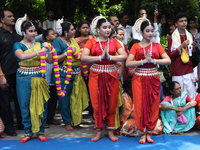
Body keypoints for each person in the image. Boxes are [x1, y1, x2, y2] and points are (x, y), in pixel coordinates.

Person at [81, 15, 127, 142]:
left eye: (109, 28)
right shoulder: (91, 42)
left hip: (111, 76)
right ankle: (98, 130)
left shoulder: (115, 42)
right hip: (95, 76)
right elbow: (83, 58)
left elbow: (124, 56)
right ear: (98, 29)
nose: (107, 30)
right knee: (96, 104)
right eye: (104, 27)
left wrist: (111, 58)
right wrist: (99, 57)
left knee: (111, 104)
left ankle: (110, 131)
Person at [126, 18, 171, 143]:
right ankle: (142, 131)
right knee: (140, 105)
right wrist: (143, 61)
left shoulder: (157, 46)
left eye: (152, 31)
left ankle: (149, 132)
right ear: (141, 32)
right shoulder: (136, 46)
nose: (150, 33)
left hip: (153, 78)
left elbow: (168, 60)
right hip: (139, 78)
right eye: (147, 31)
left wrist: (154, 61)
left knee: (153, 105)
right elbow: (128, 63)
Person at [13, 17, 52, 142]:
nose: (34, 34)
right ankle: (28, 132)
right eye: (31, 31)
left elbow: (50, 60)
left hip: (38, 77)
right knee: (25, 105)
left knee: (41, 104)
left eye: (35, 31)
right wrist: (40, 51)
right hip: (23, 78)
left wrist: (49, 51)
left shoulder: (39, 44)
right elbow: (22, 56)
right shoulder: (18, 45)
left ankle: (40, 131)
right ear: (24, 32)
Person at [52, 20, 89, 131]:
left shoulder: (73, 40)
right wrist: (67, 53)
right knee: (65, 99)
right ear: (65, 32)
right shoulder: (57, 41)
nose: (74, 31)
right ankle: (67, 121)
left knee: (77, 96)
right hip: (64, 74)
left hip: (77, 73)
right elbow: (55, 58)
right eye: (72, 29)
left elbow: (77, 54)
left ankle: (76, 117)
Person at [0, 8, 23, 136]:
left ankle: (22, 123)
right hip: (5, 73)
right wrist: (1, 76)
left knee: (20, 99)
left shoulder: (19, 35)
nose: (12, 18)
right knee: (5, 101)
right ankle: (9, 127)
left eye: (13, 16)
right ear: (2, 20)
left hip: (20, 73)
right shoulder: (0, 35)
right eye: (9, 16)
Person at [168, 12, 197, 99]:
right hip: (177, 70)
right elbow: (170, 56)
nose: (184, 23)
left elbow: (192, 54)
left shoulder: (190, 36)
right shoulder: (171, 38)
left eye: (185, 21)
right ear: (176, 24)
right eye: (181, 21)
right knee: (180, 97)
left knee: (192, 96)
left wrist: (194, 47)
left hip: (189, 69)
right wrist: (181, 46)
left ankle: (193, 112)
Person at [42, 28, 61, 128]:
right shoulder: (42, 46)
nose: (56, 35)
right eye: (53, 34)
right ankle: (43, 120)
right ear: (47, 37)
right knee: (44, 99)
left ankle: (51, 118)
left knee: (53, 98)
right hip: (44, 75)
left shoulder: (57, 45)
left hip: (54, 75)